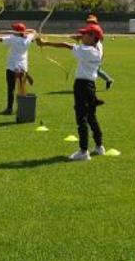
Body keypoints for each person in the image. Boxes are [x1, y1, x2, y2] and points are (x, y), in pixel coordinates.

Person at [37, 23, 105, 161]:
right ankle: (99, 147)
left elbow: (65, 45)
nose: (82, 35)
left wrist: (45, 43)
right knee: (91, 117)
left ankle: (83, 151)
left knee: (82, 118)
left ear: (92, 37)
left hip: (82, 86)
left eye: (85, 34)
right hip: (90, 86)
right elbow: (94, 39)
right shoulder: (98, 48)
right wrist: (80, 37)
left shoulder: (86, 51)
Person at [0, 22, 36, 115]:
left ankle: (9, 109)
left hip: (12, 67)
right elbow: (34, 31)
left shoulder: (12, 38)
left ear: (16, 31)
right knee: (22, 90)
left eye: (14, 29)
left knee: (11, 89)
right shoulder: (28, 38)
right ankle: (22, 109)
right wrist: (25, 31)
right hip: (23, 67)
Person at [85, 14, 114, 90]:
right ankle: (108, 80)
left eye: (91, 21)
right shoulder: (96, 28)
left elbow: (89, 38)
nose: (89, 23)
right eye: (89, 21)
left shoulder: (94, 29)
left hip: (96, 53)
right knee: (96, 70)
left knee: (92, 69)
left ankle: (92, 86)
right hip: (97, 52)